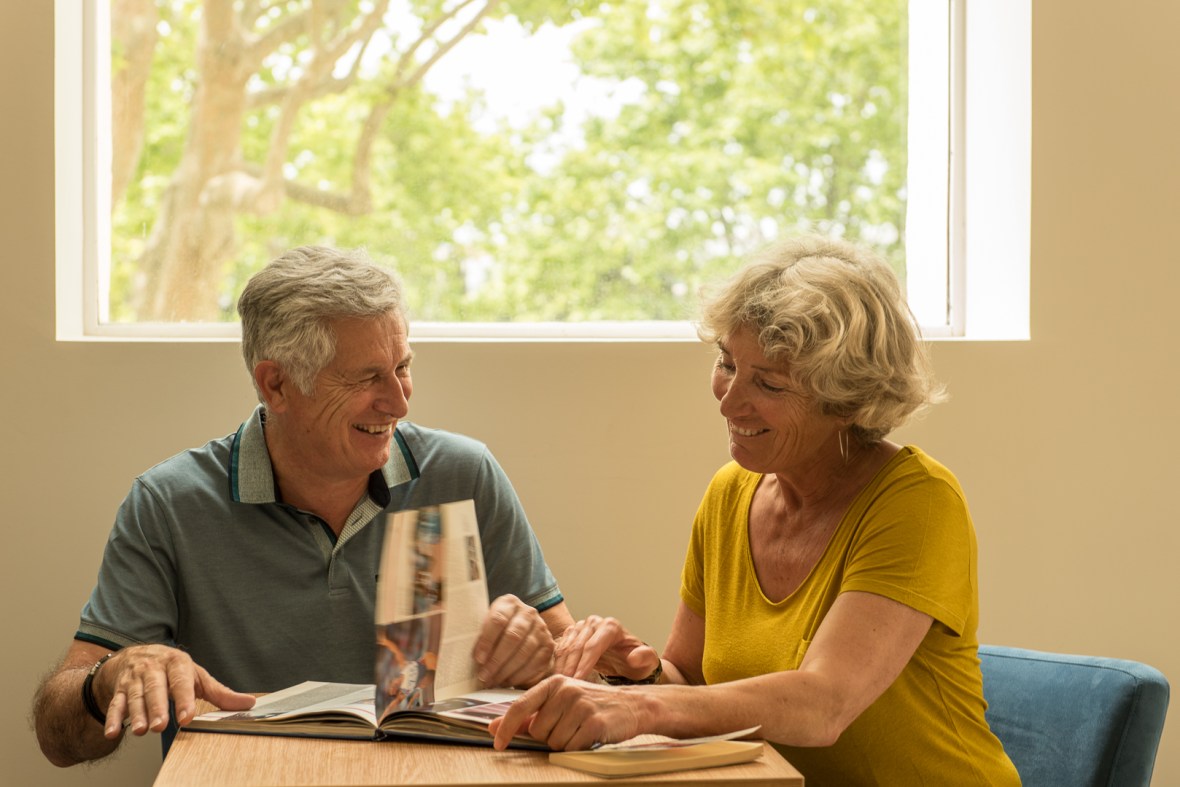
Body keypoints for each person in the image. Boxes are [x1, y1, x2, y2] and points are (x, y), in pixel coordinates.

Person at [493, 236, 1021, 786]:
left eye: (768, 383)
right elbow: (694, 684)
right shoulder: (731, 494)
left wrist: (641, 711)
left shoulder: (919, 501)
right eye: (726, 363)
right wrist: (642, 673)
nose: (728, 400)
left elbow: (824, 704)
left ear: (845, 400)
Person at [33, 246, 577, 767]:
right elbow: (60, 742)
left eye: (402, 366)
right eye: (366, 377)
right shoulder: (169, 503)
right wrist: (109, 678)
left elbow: (579, 684)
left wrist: (542, 661)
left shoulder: (464, 474)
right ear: (277, 384)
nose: (399, 401)